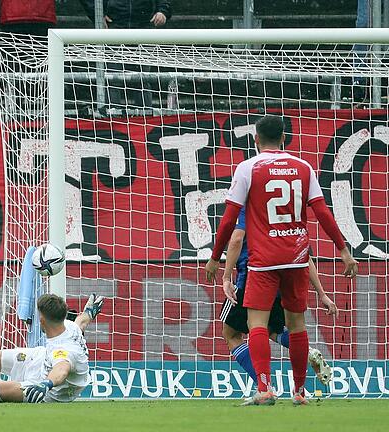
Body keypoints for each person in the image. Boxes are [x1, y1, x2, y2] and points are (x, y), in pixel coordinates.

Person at [205, 115, 358, 406]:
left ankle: (264, 388)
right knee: (296, 324)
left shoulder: (248, 168)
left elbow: (229, 221)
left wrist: (215, 257)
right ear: (285, 138)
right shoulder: (303, 167)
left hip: (263, 260)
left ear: (256, 139)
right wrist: (343, 249)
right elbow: (322, 212)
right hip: (297, 257)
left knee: (257, 324)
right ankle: (299, 393)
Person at [207, 206, 337, 392]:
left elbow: (236, 239)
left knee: (231, 334)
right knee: (269, 329)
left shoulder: (249, 206)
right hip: (281, 281)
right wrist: (322, 293)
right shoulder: (288, 214)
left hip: (252, 279)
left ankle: (265, 387)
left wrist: (226, 276)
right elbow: (305, 257)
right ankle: (305, 356)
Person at [79, 0, 172, 110]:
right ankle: (112, 120)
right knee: (112, 79)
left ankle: (144, 121)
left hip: (143, 26)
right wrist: (97, 14)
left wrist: (163, 11)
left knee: (142, 80)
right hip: (113, 27)